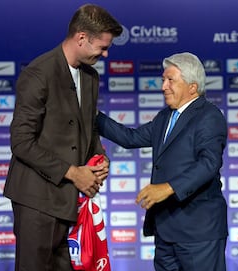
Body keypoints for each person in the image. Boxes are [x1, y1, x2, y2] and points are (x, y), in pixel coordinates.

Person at [3, 4, 122, 271]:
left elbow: (88, 128)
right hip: (36, 199)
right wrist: (72, 172)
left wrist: (99, 156)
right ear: (81, 37)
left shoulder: (90, 76)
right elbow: (21, 141)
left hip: (70, 202)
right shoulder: (39, 73)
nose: (105, 53)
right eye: (102, 47)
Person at [97, 52, 228, 271]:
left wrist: (168, 188)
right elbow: (130, 138)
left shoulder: (209, 116)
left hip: (198, 233)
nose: (163, 86)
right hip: (165, 230)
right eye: (163, 80)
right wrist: (91, 115)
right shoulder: (165, 117)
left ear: (192, 87)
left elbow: (208, 164)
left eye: (170, 80)